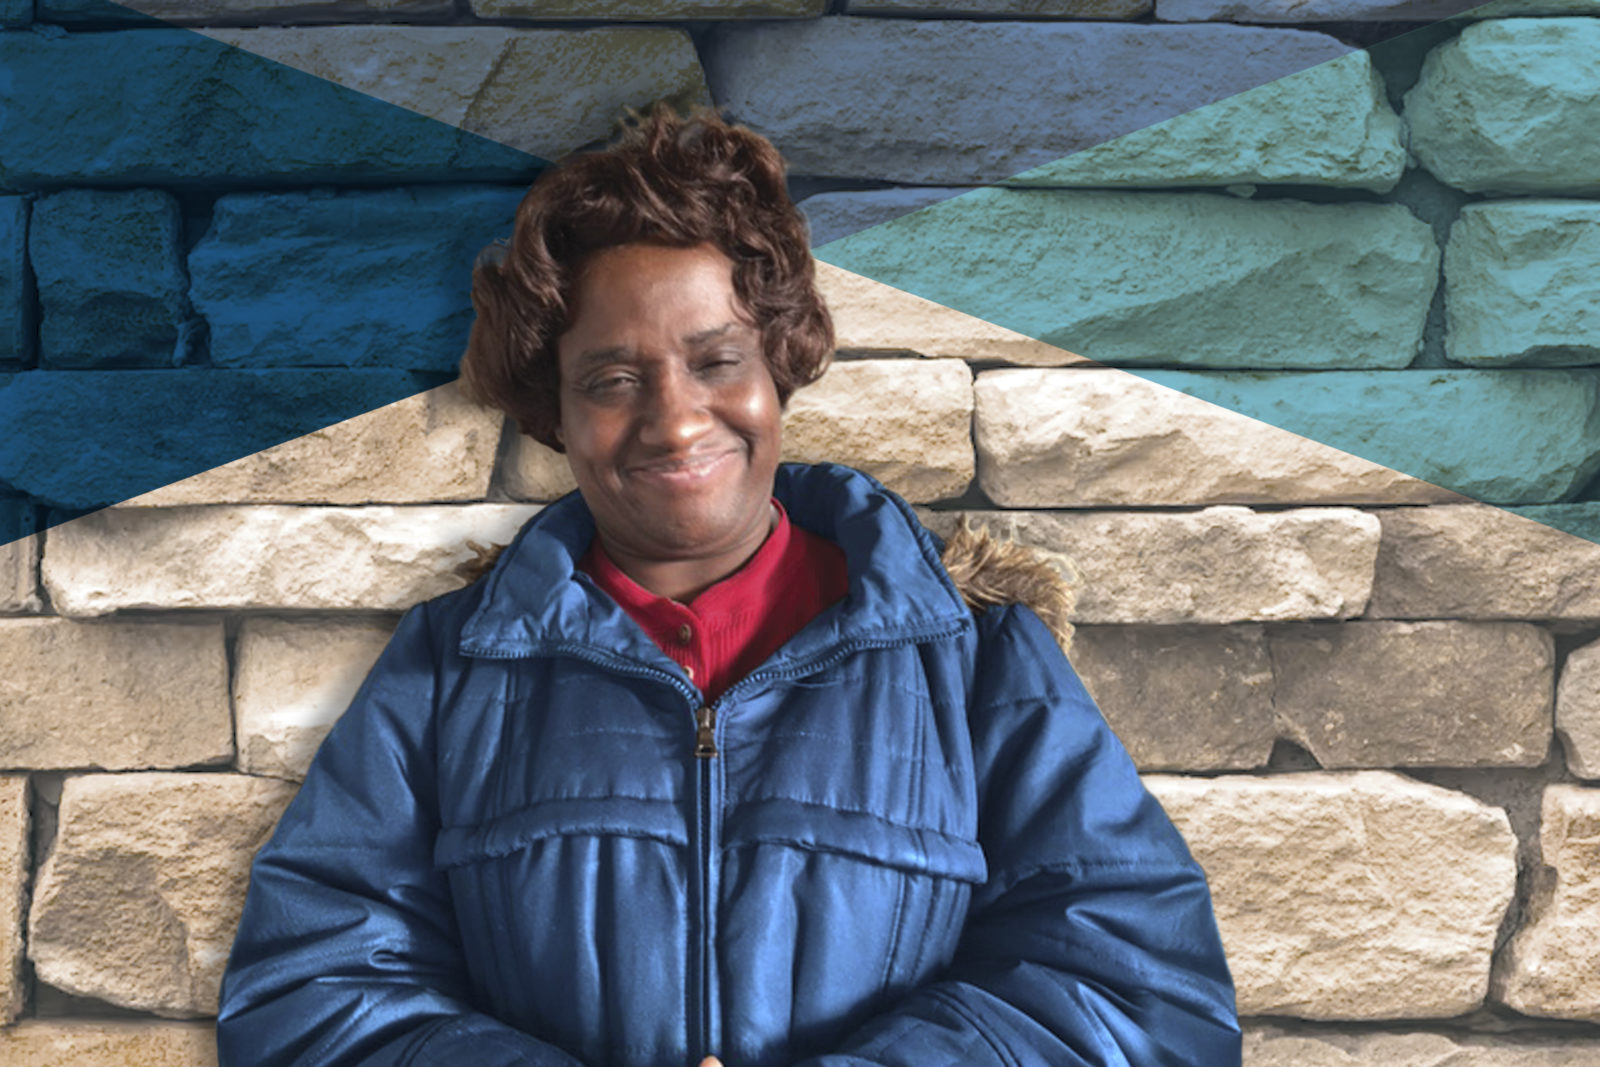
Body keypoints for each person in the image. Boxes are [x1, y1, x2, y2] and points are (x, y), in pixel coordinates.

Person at [217, 105, 1241, 1066]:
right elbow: (307, 997)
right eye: (613, 379)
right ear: (552, 408)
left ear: (779, 365)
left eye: (716, 360)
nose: (674, 419)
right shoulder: (450, 669)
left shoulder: (975, 656)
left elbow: (1143, 997)